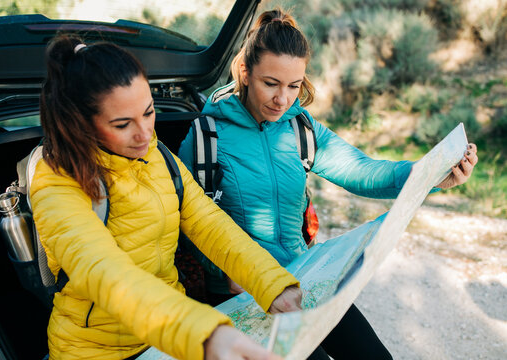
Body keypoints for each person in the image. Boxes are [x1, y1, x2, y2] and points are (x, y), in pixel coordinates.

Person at [178, 8, 479, 360]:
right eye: (270, 84)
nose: (282, 99)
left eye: (293, 86)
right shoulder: (206, 137)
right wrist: (224, 271)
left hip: (303, 278)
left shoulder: (300, 128)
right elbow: (188, 223)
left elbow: (363, 171)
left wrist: (430, 175)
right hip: (240, 294)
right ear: (245, 72)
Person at [31, 34, 303, 360]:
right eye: (122, 124)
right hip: (96, 350)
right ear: (81, 124)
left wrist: (272, 285)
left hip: (168, 339)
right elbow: (103, 271)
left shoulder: (159, 156)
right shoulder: (57, 182)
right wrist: (205, 335)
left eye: (148, 112)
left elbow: (209, 223)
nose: (145, 134)